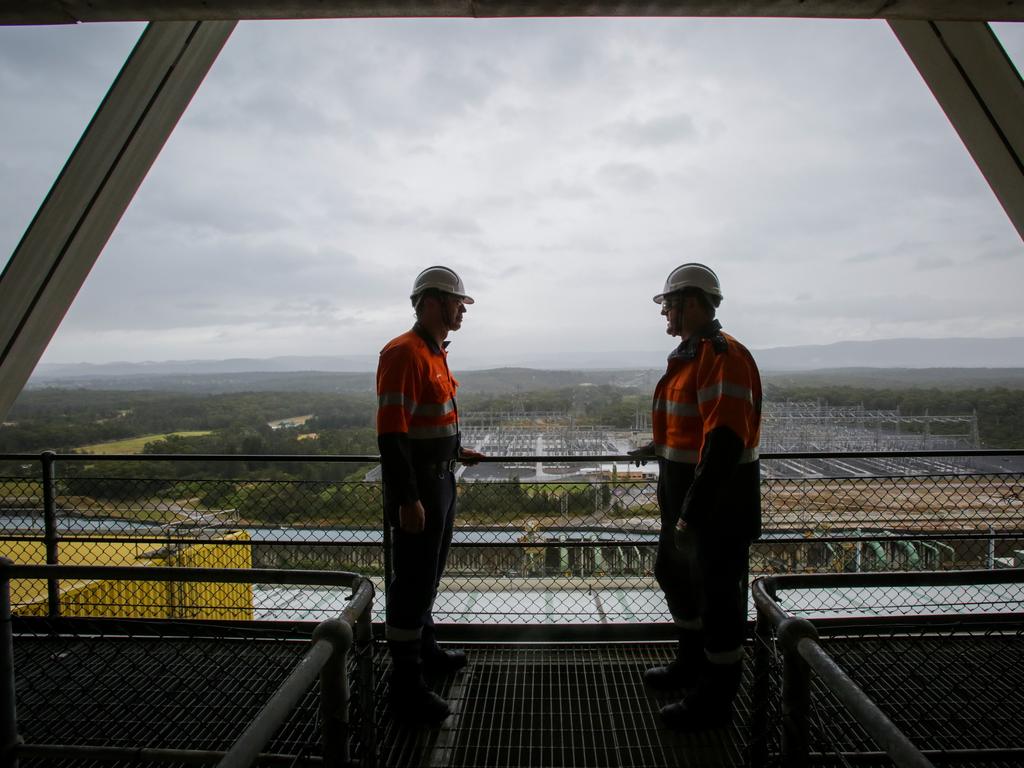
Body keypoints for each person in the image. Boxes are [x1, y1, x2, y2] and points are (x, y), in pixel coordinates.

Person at [631, 263, 762, 732]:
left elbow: (724, 441)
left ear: (691, 303)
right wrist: (655, 447)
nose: (664, 312)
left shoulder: (721, 356)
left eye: (668, 303)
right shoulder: (689, 355)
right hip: (684, 502)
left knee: (720, 600)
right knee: (675, 576)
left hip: (715, 509)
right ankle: (690, 664)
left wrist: (692, 514)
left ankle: (716, 699)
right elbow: (690, 428)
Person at [376, 265, 484, 727]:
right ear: (435, 301)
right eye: (459, 302)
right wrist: (408, 498)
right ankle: (406, 685)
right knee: (412, 582)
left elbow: (429, 417)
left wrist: (458, 450)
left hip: (441, 479)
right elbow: (392, 433)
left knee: (430, 574)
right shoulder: (402, 352)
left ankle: (427, 648)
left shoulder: (433, 352)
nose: (463, 310)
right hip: (419, 488)